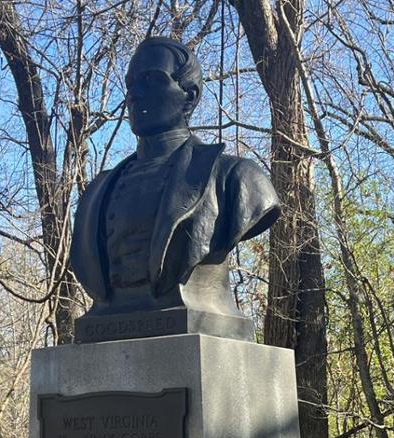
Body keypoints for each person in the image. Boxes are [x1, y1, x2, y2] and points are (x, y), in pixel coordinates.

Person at [70, 37, 280, 317]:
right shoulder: (95, 194)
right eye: (131, 84)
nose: (135, 94)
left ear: (189, 96)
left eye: (152, 80)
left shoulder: (236, 178)